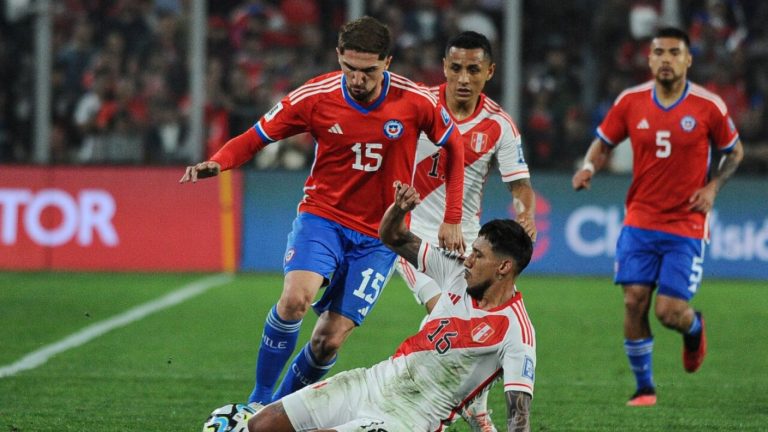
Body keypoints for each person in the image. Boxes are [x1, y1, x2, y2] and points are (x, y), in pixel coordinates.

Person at [180, 16, 466, 405]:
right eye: (349, 67)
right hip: (324, 218)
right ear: (338, 56)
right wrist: (218, 162)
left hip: (381, 237)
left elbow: (454, 145)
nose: (358, 79)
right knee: (295, 300)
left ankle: (275, 414)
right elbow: (256, 137)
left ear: (387, 62)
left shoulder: (416, 101)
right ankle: (258, 402)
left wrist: (452, 217)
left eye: (368, 70)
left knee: (328, 341)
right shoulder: (315, 97)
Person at [244, 182, 535, 432]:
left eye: (478, 255)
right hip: (371, 383)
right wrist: (399, 209)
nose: (468, 259)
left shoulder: (517, 333)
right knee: (262, 424)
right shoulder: (455, 272)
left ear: (504, 267)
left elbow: (518, 418)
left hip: (407, 419)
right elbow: (393, 237)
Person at [572, 27, 744, 407]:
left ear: (688, 59)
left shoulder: (708, 106)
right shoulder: (631, 101)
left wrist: (713, 187)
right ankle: (644, 388)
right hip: (640, 219)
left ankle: (694, 328)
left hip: (686, 222)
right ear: (649, 59)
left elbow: (735, 152)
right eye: (659, 52)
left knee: (669, 312)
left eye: (674, 52)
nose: (666, 59)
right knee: (633, 301)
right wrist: (588, 167)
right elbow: (603, 142)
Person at [394, 30, 535, 431]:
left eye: (473, 69)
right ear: (444, 67)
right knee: (445, 311)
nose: (463, 78)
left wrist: (525, 214)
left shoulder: (499, 125)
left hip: (469, 243)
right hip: (413, 234)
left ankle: (470, 408)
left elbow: (520, 185)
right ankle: (463, 412)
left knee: (472, 324)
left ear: (489, 72)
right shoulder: (419, 105)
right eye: (455, 68)